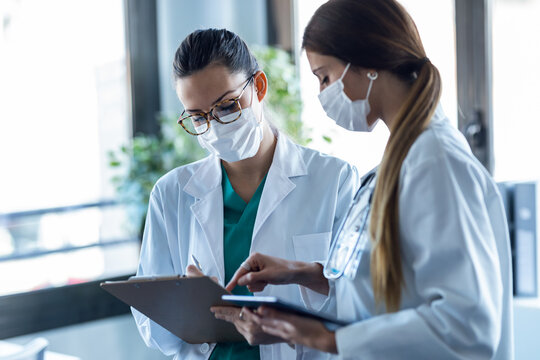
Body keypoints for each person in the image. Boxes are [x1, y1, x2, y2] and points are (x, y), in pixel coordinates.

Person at [220, 1, 514, 359]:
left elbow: (467, 324)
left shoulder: (435, 163)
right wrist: (303, 274)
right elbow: (392, 290)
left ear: (367, 63)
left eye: (325, 77)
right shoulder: (400, 162)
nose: (323, 93)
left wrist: (327, 339)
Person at [131, 28, 359, 360]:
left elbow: (362, 302)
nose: (215, 126)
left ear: (259, 87)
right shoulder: (171, 194)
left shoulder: (335, 180)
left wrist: (292, 314)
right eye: (198, 117)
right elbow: (152, 327)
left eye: (226, 106)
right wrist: (184, 300)